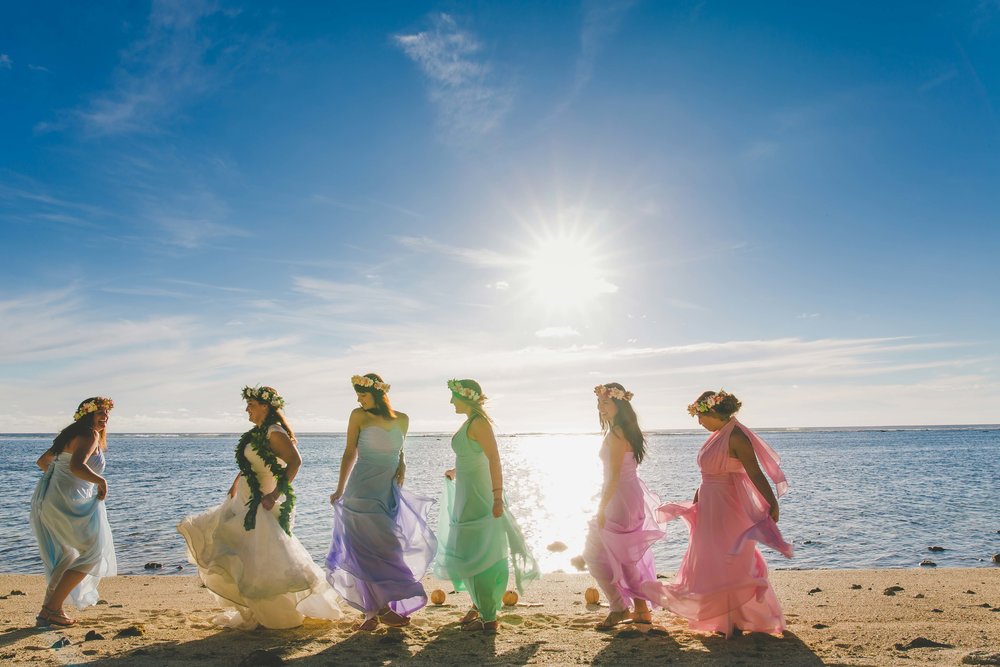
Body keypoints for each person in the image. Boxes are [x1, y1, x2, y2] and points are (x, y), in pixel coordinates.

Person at [177, 385, 341, 629]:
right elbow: (250, 464)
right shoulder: (256, 433)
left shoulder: (274, 432)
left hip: (263, 502)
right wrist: (236, 482)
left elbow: (295, 462)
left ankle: (278, 613)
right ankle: (257, 611)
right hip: (244, 497)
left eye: (251, 405)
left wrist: (274, 495)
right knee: (240, 551)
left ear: (266, 406)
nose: (247, 409)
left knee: (266, 558)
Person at [643, 390, 792, 637]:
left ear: (711, 412)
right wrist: (696, 501)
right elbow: (708, 476)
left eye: (700, 417)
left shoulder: (736, 436)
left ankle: (735, 618)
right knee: (709, 558)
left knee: (727, 559)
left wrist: (771, 502)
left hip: (727, 508)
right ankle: (723, 616)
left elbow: (755, 473)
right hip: (710, 506)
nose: (699, 422)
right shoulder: (717, 435)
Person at [326, 373, 437, 631]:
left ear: (376, 394)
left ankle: (380, 609)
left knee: (387, 547)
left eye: (363, 395)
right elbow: (349, 452)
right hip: (360, 490)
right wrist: (340, 489)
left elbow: (399, 450)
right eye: (358, 395)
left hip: (387, 491)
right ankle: (374, 612)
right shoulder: (358, 415)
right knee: (362, 550)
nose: (359, 400)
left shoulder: (404, 419)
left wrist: (403, 464)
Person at [433, 379, 539, 634]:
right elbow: (473, 456)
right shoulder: (469, 422)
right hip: (466, 493)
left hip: (481, 495)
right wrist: (455, 471)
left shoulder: (479, 423)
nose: (450, 402)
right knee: (469, 549)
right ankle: (478, 604)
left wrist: (498, 496)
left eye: (453, 397)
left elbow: (494, 459)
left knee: (483, 550)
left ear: (465, 397)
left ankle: (489, 615)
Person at [584, 383, 666, 631]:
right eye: (598, 403)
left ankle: (622, 608)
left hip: (620, 498)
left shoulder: (619, 433)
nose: (601, 408)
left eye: (606, 403)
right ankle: (637, 610)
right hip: (627, 496)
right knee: (623, 556)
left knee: (597, 554)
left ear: (619, 404)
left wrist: (601, 508)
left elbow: (614, 477)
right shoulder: (622, 430)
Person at [30, 397, 117, 627]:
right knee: (92, 554)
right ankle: (51, 609)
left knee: (68, 555)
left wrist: (63, 480)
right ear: (86, 415)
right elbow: (76, 466)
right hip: (67, 503)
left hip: (53, 500)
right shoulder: (89, 434)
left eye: (107, 413)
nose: (105, 416)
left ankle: (47, 611)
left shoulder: (69, 435)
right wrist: (101, 482)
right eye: (99, 412)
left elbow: (43, 462)